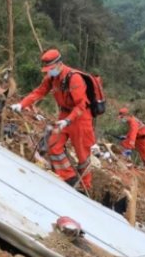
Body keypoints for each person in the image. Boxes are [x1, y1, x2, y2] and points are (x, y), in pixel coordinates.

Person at [10, 49, 96, 190]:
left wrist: (68, 120)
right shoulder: (51, 78)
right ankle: (69, 180)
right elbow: (39, 92)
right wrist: (22, 104)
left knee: (83, 156)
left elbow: (81, 104)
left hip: (80, 118)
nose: (49, 72)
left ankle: (85, 187)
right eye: (47, 69)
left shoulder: (74, 78)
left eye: (51, 69)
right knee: (53, 145)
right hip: (64, 115)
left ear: (59, 64)